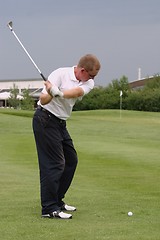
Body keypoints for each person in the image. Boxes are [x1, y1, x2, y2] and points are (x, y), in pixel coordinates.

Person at [32, 54, 101, 219]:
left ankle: (57, 200)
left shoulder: (88, 82)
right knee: (54, 163)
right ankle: (49, 208)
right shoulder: (60, 74)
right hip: (45, 119)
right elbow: (43, 99)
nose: (93, 79)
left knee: (71, 160)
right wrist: (50, 92)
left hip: (60, 123)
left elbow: (76, 92)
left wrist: (59, 92)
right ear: (83, 70)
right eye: (91, 75)